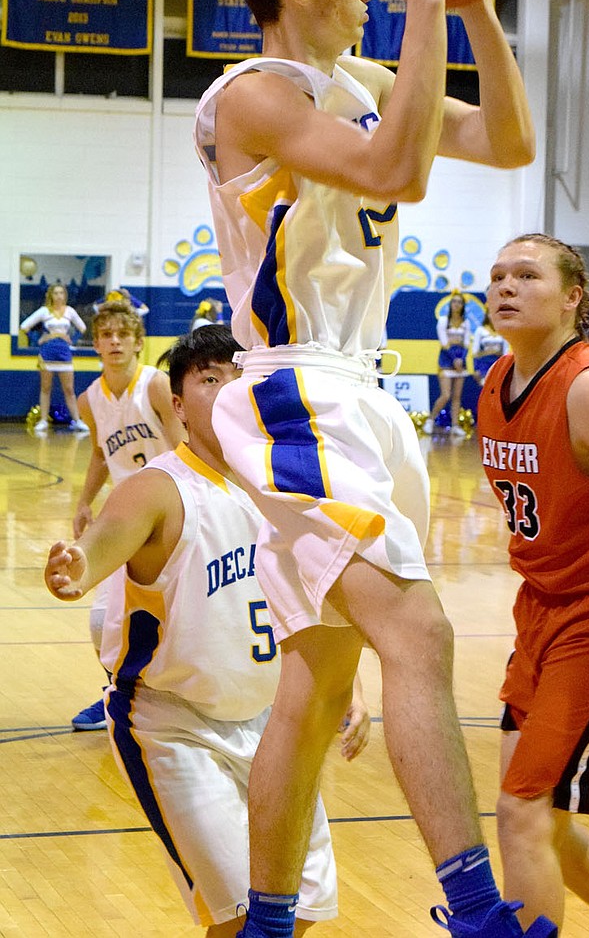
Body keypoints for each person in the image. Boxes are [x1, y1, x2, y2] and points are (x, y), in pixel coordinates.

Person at [181, 0, 550, 938]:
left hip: (361, 396)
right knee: (420, 637)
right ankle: (477, 907)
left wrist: (473, 3)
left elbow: (510, 140)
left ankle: (268, 917)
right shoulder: (249, 95)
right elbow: (397, 172)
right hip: (294, 391)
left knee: (318, 682)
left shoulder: (372, 84)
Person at [44, 325, 370, 937]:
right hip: (176, 726)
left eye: (236, 379)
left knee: (297, 914)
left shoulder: (285, 488)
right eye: (208, 379)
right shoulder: (157, 488)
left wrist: (346, 685)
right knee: (239, 918)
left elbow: (315, 599)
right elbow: (102, 545)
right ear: (178, 404)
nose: (225, 393)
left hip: (277, 724)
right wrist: (77, 566)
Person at [476, 232, 589, 934]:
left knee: (522, 810)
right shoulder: (496, 380)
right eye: (497, 275)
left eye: (527, 275)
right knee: (546, 827)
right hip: (539, 612)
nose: (506, 286)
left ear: (574, 296)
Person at [70, 300, 185, 731]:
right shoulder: (89, 399)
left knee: (186, 611)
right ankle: (115, 693)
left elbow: (182, 448)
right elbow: (101, 453)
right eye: (106, 335)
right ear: (96, 344)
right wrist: (83, 502)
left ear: (138, 342)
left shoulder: (155, 385)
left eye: (123, 334)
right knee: (104, 617)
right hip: (127, 517)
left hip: (172, 508)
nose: (114, 341)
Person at [20, 283, 89, 433]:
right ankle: (44, 420)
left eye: (61, 293)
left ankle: (77, 420)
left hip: (64, 353)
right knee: (46, 388)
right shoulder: (44, 311)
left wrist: (72, 338)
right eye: (55, 293)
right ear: (50, 295)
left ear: (65, 295)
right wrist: (39, 338)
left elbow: (82, 327)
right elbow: (25, 326)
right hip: (47, 353)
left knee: (69, 389)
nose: (58, 296)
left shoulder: (70, 311)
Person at [426, 292, 472, 436]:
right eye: (454, 302)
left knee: (457, 396)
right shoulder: (443, 321)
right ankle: (431, 420)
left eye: (459, 302)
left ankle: (455, 425)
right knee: (445, 395)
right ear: (450, 304)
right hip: (446, 360)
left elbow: (466, 344)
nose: (456, 304)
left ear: (463, 305)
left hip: (460, 361)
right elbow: (444, 343)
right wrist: (454, 359)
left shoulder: (466, 323)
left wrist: (461, 360)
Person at [471, 308, 509, 388]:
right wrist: (476, 369)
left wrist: (496, 353)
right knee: (486, 390)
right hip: (483, 365)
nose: (492, 316)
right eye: (490, 313)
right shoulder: (480, 330)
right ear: (487, 315)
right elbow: (475, 352)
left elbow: (505, 353)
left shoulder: (503, 330)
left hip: (498, 365)